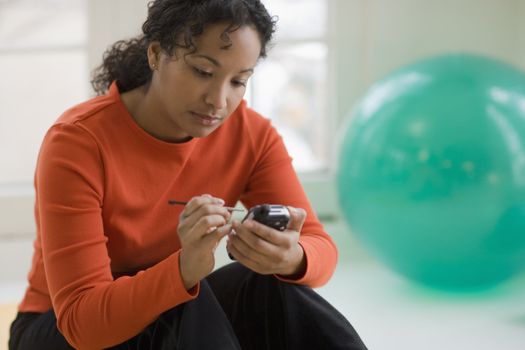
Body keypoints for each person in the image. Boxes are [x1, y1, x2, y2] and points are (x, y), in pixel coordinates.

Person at [8, 0, 368, 349]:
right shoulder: (78, 141)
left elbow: (320, 247)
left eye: (238, 81)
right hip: (59, 329)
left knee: (267, 285)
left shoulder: (252, 136)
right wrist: (181, 269)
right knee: (182, 298)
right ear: (155, 55)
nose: (219, 101)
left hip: (174, 321)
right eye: (203, 72)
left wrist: (291, 257)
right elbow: (82, 324)